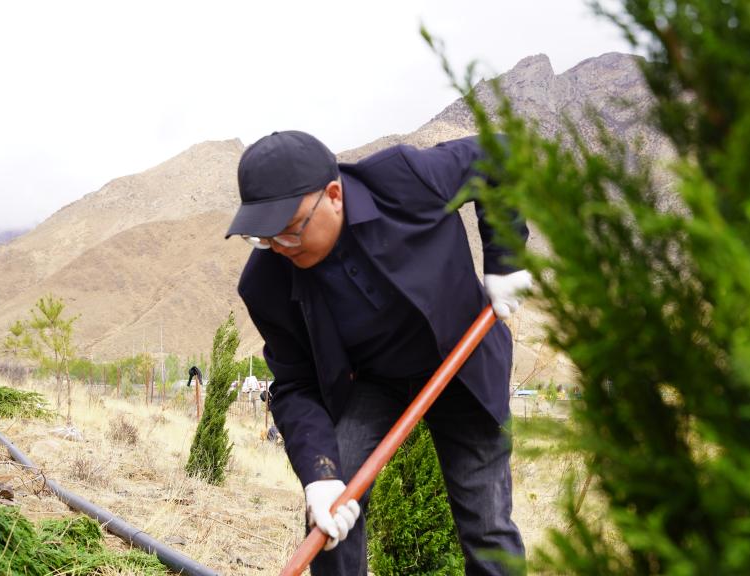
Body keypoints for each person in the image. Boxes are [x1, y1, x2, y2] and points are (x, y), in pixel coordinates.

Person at [227, 131, 532, 575]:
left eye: (290, 231)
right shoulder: (264, 283)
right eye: (264, 237)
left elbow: (497, 154)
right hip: (373, 382)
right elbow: (295, 385)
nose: (279, 248)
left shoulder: (404, 180)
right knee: (332, 515)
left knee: (487, 525)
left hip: (461, 363)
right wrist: (319, 475)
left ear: (334, 196)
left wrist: (505, 258)